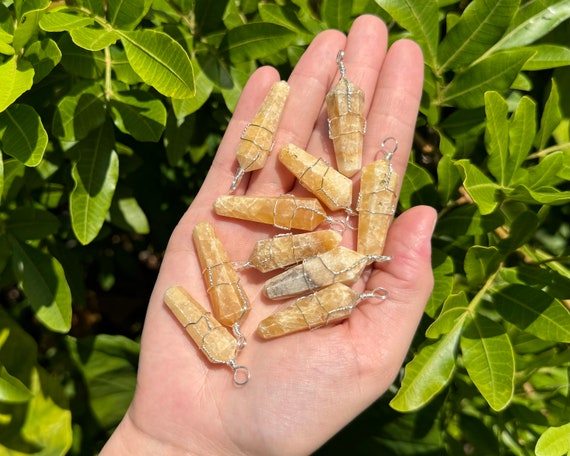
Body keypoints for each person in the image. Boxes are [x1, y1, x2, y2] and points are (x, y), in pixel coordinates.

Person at [101, 14, 437, 456]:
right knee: (240, 213)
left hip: (310, 258)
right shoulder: (312, 234)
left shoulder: (329, 234)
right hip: (295, 258)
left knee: (256, 216)